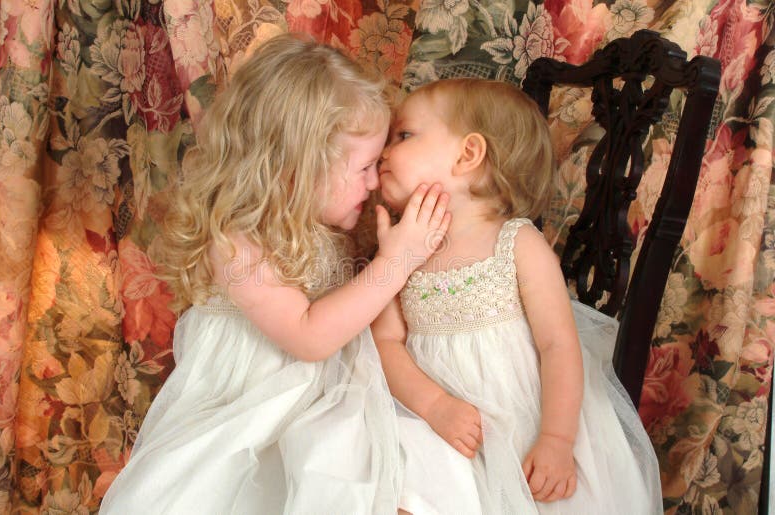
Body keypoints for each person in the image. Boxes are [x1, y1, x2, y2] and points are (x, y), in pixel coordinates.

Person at [100, 34, 451, 514]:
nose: (373, 183)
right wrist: (398, 261)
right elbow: (307, 337)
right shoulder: (236, 241)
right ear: (296, 168)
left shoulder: (327, 219)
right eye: (365, 167)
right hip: (252, 408)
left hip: (332, 399)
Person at [372, 78, 662, 514]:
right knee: (398, 486)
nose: (383, 150)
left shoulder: (516, 243)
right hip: (434, 419)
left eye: (404, 135)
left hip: (522, 424)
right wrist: (434, 407)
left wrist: (557, 440)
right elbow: (386, 343)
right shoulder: (400, 247)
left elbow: (557, 345)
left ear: (468, 154)